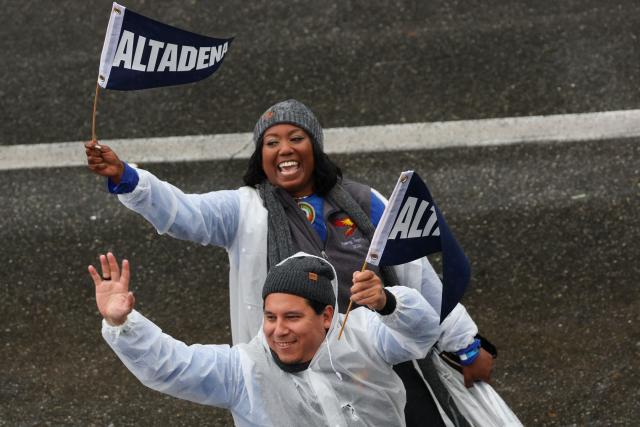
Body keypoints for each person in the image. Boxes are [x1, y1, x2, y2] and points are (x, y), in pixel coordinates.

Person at [85, 99, 494, 425]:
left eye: (295, 137)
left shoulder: (368, 203)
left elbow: (419, 277)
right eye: (271, 142)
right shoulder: (244, 210)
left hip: (373, 355)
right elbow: (183, 213)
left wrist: (467, 347)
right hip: (289, 370)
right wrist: (127, 179)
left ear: (314, 147)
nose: (283, 149)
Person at [89, 252, 441, 426]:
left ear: (327, 316)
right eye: (270, 317)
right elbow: (172, 366)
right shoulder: (244, 369)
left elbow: (423, 333)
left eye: (292, 317)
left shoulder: (363, 335)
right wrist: (123, 323)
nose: (278, 330)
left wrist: (388, 303)